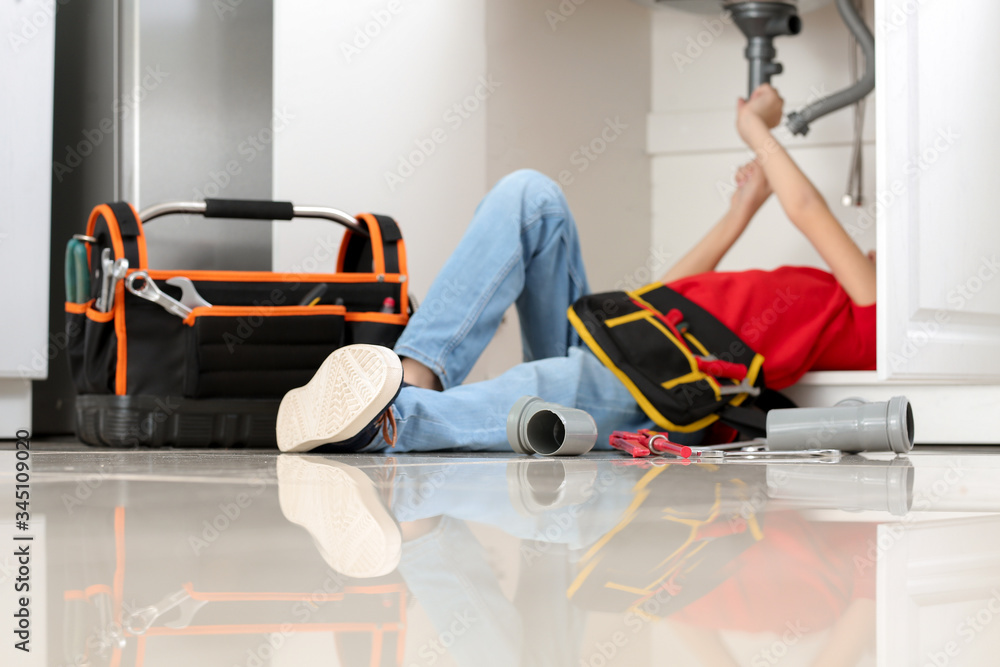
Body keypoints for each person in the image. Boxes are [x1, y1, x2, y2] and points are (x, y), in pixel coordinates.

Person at [274, 84, 877, 454]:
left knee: (533, 394)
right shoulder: (834, 293)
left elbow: (805, 208)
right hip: (619, 338)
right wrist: (737, 214)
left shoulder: (877, 313)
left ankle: (385, 422)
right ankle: (416, 374)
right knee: (529, 196)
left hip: (648, 392)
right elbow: (665, 297)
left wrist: (754, 130)